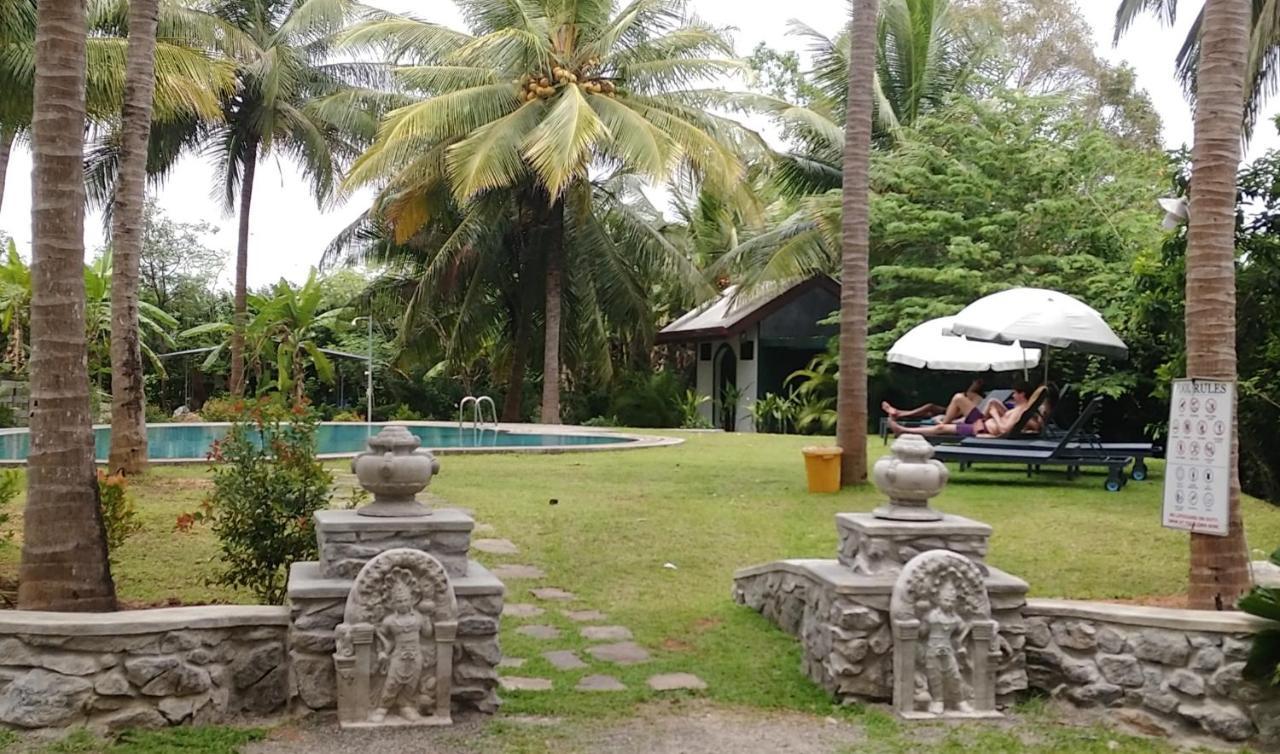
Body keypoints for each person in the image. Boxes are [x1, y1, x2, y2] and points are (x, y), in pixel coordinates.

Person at [889, 382, 1048, 438]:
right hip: (983, 423)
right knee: (958, 397)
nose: (1013, 395)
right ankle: (905, 429)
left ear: (1022, 394)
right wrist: (996, 407)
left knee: (941, 428)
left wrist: (994, 415)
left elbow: (1004, 429)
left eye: (1015, 393)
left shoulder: (1021, 411)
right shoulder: (1021, 408)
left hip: (983, 428)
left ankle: (903, 430)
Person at [881, 378, 986, 424]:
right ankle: (899, 413)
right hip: (952, 412)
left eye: (975, 383)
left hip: (954, 416)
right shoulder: (970, 395)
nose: (973, 385)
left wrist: (950, 421)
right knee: (929, 408)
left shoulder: (978, 399)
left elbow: (968, 416)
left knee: (929, 410)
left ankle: (899, 414)